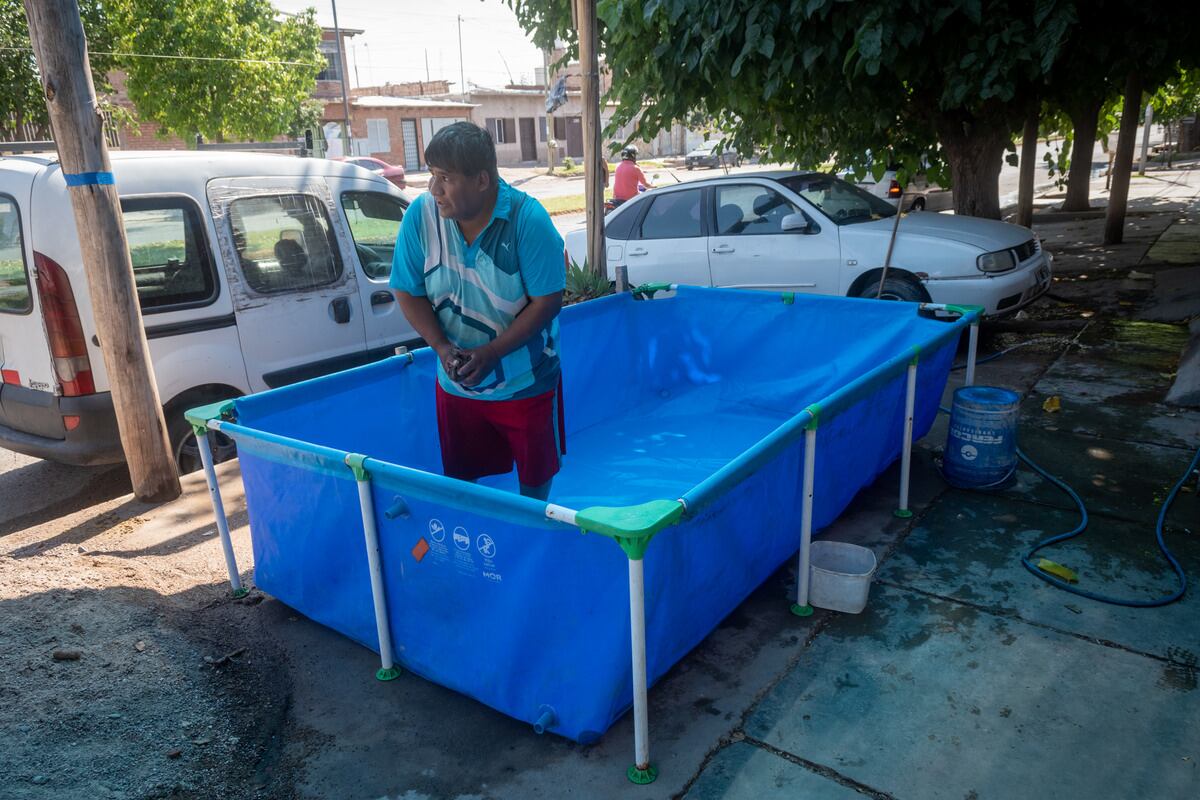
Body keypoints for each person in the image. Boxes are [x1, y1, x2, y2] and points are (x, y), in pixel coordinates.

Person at [390, 122, 566, 501]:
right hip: (457, 385)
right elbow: (406, 288)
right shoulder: (421, 217)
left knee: (533, 488)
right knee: (461, 482)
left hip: (526, 380)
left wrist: (492, 353)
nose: (434, 190)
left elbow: (548, 301)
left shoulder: (528, 221)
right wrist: (440, 347)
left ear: (482, 180)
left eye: (446, 179)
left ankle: (529, 541)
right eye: (432, 176)